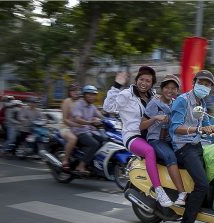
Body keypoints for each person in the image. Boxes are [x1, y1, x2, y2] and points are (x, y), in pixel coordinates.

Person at [103, 66, 172, 207]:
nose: (144, 83)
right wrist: (116, 85)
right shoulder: (126, 94)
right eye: (141, 79)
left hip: (151, 135)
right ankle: (159, 190)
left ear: (151, 84)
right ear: (136, 80)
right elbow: (108, 107)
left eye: (148, 80)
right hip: (133, 136)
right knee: (149, 151)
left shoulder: (153, 96)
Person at [170, 70, 214, 223]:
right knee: (202, 184)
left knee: (213, 176)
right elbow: (175, 127)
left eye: (208, 85)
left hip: (197, 145)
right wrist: (197, 130)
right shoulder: (182, 101)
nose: (204, 87)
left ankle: (202, 211)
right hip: (183, 147)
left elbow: (205, 122)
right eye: (202, 83)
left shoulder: (202, 102)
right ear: (194, 82)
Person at [140, 74, 188, 206]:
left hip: (171, 140)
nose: (170, 90)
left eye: (173, 88)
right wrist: (155, 118)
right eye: (167, 87)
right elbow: (142, 125)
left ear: (177, 91)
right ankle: (181, 193)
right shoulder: (154, 103)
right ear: (162, 89)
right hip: (156, 140)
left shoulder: (176, 103)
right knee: (170, 156)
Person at [71, 85, 105, 175]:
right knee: (94, 144)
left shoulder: (92, 106)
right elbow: (77, 119)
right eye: (90, 94)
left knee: (104, 140)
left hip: (88, 131)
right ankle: (80, 166)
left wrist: (109, 119)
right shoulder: (78, 104)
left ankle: (94, 164)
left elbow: (100, 116)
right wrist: (89, 122)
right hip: (79, 131)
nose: (92, 96)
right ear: (84, 95)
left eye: (94, 94)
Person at [59, 83, 81, 170]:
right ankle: (65, 160)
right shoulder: (67, 101)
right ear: (70, 92)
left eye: (77, 90)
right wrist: (75, 125)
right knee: (73, 139)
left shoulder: (81, 102)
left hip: (79, 128)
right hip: (66, 127)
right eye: (73, 90)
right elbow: (65, 119)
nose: (75, 92)